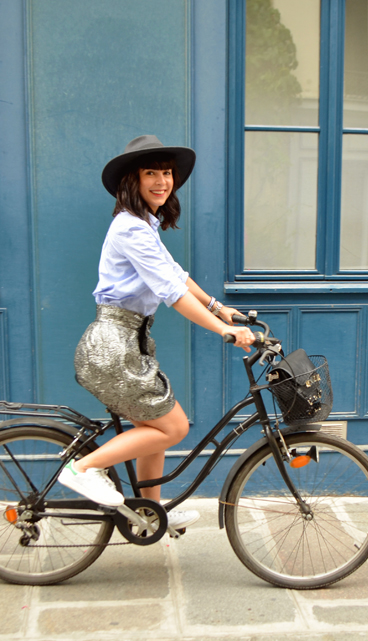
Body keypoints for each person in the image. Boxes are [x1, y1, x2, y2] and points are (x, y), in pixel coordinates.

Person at [58, 135, 256, 532]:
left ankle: (150, 512)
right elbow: (172, 293)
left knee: (154, 428)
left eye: (166, 173)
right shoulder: (131, 229)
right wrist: (222, 330)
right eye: (151, 173)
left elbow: (176, 274)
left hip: (129, 342)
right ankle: (81, 469)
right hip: (113, 347)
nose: (162, 181)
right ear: (133, 180)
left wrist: (219, 308)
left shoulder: (144, 226)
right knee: (173, 426)